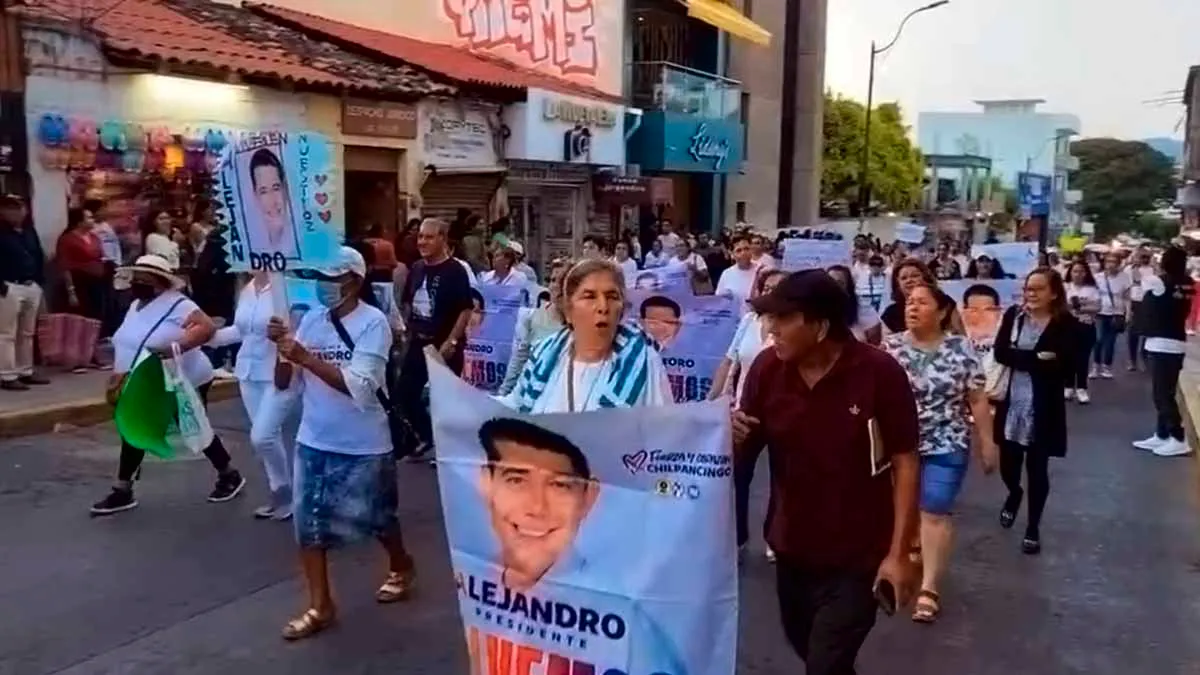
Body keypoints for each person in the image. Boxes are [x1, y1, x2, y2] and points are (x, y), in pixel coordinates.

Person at [733, 270, 920, 673]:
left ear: (819, 326)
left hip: (859, 554)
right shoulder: (767, 370)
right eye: (769, 319)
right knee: (814, 653)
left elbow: (905, 460)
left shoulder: (879, 373)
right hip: (792, 546)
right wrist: (727, 436)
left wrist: (899, 553)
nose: (771, 330)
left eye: (783, 319)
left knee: (825, 662)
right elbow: (744, 451)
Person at [267, 245, 415, 640]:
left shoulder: (374, 324)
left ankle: (401, 564)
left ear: (354, 281)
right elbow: (284, 384)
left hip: (364, 443)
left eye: (332, 279)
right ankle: (320, 605)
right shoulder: (310, 321)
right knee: (307, 526)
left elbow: (362, 388)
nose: (323, 287)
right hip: (314, 440)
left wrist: (305, 357)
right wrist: (281, 350)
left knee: (378, 518)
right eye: (319, 279)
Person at [91, 255, 245, 515]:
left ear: (160, 281)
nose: (138, 282)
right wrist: (119, 373)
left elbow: (206, 328)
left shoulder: (179, 305)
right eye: (136, 277)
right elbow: (128, 342)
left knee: (192, 426)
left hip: (182, 377)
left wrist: (176, 347)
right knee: (134, 428)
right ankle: (123, 489)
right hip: (145, 379)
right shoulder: (136, 306)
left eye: (145, 278)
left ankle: (228, 474)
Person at [882, 283, 995, 623]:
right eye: (908, 302)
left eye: (921, 302)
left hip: (948, 440)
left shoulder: (961, 349)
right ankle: (900, 558)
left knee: (935, 509)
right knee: (903, 508)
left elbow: (976, 398)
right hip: (900, 444)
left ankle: (929, 588)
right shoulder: (890, 349)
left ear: (942, 311)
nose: (912, 308)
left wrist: (987, 442)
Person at [497, 259, 672, 414]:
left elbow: (663, 435)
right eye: (589, 297)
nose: (603, 307)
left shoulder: (643, 361)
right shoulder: (543, 355)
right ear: (568, 310)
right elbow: (514, 408)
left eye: (612, 297)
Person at [994, 268, 1073, 555]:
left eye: (1038, 289)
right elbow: (1000, 352)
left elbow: (1065, 365)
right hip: (1011, 402)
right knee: (1008, 466)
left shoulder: (1065, 323)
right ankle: (1014, 493)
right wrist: (1038, 359)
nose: (1031, 294)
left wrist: (1030, 360)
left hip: (1044, 407)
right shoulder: (1014, 316)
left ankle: (1032, 527)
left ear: (1053, 293)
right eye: (1029, 288)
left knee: (1038, 469)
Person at [709, 268, 785, 562]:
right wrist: (711, 401)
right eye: (768, 286)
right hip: (744, 411)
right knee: (737, 477)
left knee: (782, 479)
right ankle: (737, 537)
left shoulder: (791, 326)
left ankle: (774, 537)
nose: (772, 291)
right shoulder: (748, 321)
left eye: (779, 287)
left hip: (780, 414)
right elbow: (729, 362)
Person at [208, 271, 297, 520]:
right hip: (248, 372)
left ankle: (291, 492)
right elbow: (241, 330)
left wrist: (284, 333)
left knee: (262, 437)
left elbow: (305, 325)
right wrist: (209, 336)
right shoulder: (248, 288)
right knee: (268, 437)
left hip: (279, 372)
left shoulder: (288, 285)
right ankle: (281, 493)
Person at [477, 417, 599, 592]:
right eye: (516, 481)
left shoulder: (611, 606)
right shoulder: (472, 579)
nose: (537, 508)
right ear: (487, 483)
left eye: (559, 485)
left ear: (588, 497)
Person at [399, 218, 474, 459]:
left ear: (443, 239)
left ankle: (449, 451)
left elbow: (465, 309)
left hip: (443, 344)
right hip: (418, 343)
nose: (422, 242)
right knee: (405, 393)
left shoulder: (456, 271)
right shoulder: (417, 269)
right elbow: (408, 303)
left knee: (444, 401)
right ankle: (428, 436)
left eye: (429, 237)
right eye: (420, 236)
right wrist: (405, 332)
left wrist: (451, 341)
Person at [1133, 245, 1195, 457]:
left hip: (1161, 342)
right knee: (1165, 391)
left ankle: (1178, 437)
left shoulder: (1159, 282)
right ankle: (1162, 435)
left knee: (1162, 394)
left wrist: (1139, 259)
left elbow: (1140, 276)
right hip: (1176, 341)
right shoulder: (1188, 283)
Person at [499, 259, 569, 397]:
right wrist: (503, 392)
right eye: (553, 280)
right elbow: (520, 357)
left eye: (562, 281)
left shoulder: (584, 322)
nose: (555, 286)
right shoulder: (533, 317)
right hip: (533, 393)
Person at [0, 194, 48, 391]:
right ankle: (7, 374)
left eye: (20, 207)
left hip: (30, 285)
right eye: (11, 208)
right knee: (6, 333)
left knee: (27, 333)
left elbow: (38, 254)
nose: (17, 212)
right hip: (9, 285)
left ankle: (25, 370)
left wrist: (39, 282)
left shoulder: (29, 231)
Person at [55, 207, 107, 371]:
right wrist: (71, 290)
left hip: (96, 281)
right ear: (79, 221)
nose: (92, 220)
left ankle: (93, 354)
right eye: (89, 217)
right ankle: (75, 359)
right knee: (78, 321)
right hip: (79, 281)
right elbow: (65, 266)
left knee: (95, 320)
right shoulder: (67, 239)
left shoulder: (94, 237)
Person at [247, 147, 299, 259]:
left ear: (285, 188)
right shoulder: (253, 249)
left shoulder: (303, 242)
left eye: (276, 188)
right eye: (263, 191)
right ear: (255, 195)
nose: (273, 201)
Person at [1063, 261, 1100, 404]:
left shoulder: (1091, 289)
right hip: (1067, 326)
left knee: (1082, 358)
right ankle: (1068, 386)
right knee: (1068, 357)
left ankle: (1082, 388)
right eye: (1075, 271)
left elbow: (1097, 307)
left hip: (1086, 326)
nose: (1078, 274)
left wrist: (1079, 308)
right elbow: (1061, 306)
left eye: (1081, 271)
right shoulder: (1065, 287)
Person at [1094, 252, 1131, 379]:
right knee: (1098, 340)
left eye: (1113, 262)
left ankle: (1106, 366)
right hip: (1099, 312)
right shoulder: (1098, 277)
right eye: (1108, 261)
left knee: (1110, 341)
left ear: (1119, 264)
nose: (1110, 264)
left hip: (1116, 313)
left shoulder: (1124, 278)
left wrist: (1128, 314)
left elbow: (1127, 298)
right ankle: (1095, 366)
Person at [827, 264, 882, 345]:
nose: (833, 287)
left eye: (840, 283)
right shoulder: (816, 310)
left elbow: (875, 343)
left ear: (848, 286)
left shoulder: (862, 308)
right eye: (830, 282)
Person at [881, 259, 939, 334]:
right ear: (898, 284)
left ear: (926, 278)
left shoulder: (942, 306)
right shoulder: (890, 314)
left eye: (915, 276)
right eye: (904, 278)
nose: (909, 280)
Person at [1125, 248, 1155, 372]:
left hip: (1149, 302)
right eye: (1141, 256)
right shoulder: (1129, 270)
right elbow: (1127, 287)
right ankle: (1132, 360)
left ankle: (1143, 355)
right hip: (1134, 302)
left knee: (1147, 331)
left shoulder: (1152, 270)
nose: (1143, 259)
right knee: (1133, 332)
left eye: (1146, 256)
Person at [715, 235, 758, 309]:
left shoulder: (761, 270)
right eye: (739, 250)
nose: (744, 253)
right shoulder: (727, 274)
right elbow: (719, 299)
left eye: (746, 249)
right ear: (732, 254)